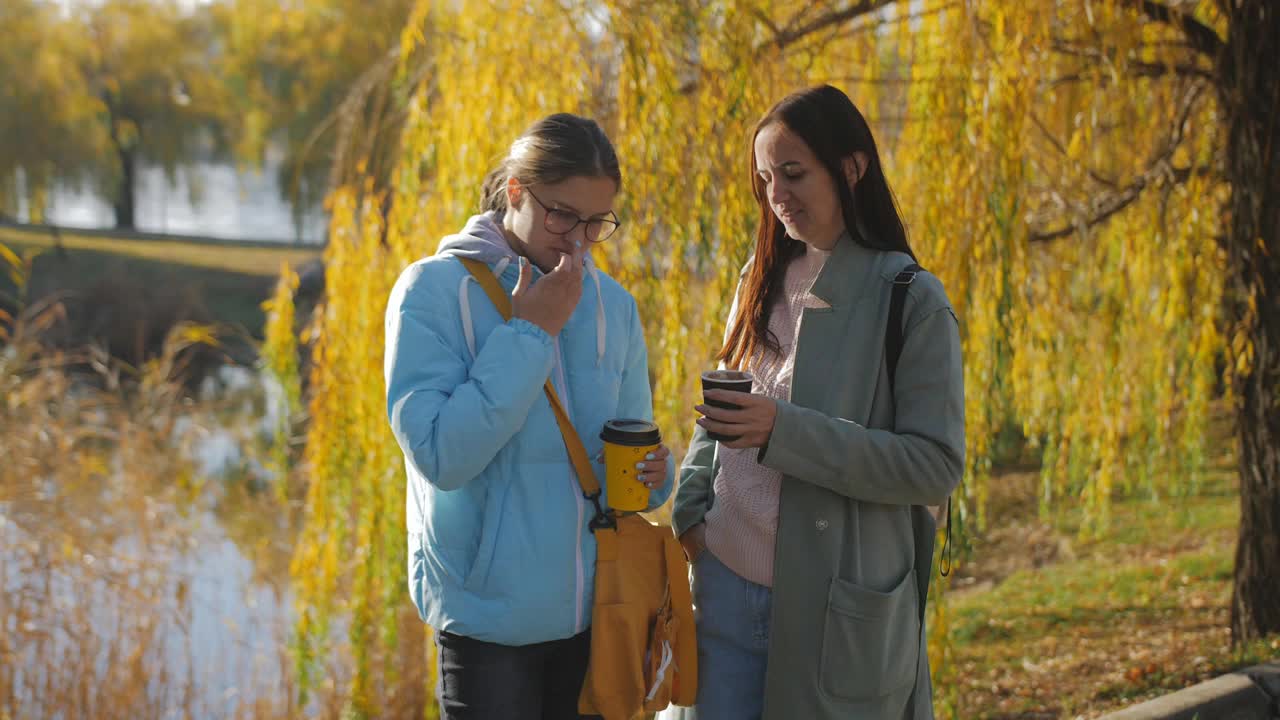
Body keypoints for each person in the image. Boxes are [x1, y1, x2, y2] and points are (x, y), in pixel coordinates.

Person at [670, 85, 965, 719]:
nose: (776, 194)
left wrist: (785, 431)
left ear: (852, 167)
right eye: (765, 177)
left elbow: (934, 466)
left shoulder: (911, 299)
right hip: (721, 584)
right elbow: (721, 405)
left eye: (794, 173)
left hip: (835, 607)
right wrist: (691, 513)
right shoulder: (759, 276)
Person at [385, 113, 675, 720]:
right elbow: (443, 456)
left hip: (598, 617)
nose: (577, 240)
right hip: (488, 626)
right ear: (515, 190)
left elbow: (624, 463)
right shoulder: (430, 292)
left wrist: (653, 475)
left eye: (596, 223)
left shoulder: (613, 307)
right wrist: (529, 332)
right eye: (562, 214)